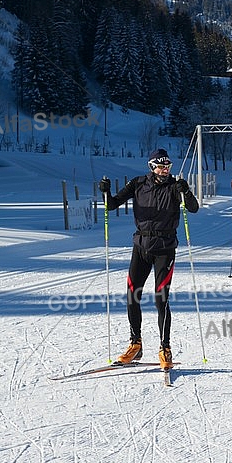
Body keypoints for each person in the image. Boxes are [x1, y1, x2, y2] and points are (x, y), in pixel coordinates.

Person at [98, 148, 199, 369]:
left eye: (168, 166)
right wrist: (105, 193)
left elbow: (193, 208)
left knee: (160, 298)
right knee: (132, 294)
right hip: (141, 246)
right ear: (152, 166)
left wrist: (187, 191)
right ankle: (135, 344)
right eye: (161, 166)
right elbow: (111, 204)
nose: (165, 170)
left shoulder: (174, 186)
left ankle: (165, 347)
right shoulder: (138, 183)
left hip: (165, 248)